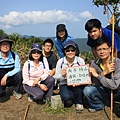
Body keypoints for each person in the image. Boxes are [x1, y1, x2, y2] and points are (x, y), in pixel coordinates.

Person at [83, 37, 120, 115]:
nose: (102, 52)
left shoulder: (117, 63)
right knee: (87, 90)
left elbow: (114, 85)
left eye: (104, 49)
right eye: (99, 50)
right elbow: (95, 84)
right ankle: (98, 105)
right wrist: (103, 73)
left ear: (110, 49)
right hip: (104, 90)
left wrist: (97, 75)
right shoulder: (95, 63)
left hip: (117, 92)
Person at [54, 41, 85, 112]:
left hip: (78, 83)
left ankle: (79, 102)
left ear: (76, 51)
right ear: (64, 51)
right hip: (64, 83)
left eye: (72, 50)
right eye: (67, 50)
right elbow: (56, 77)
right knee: (66, 98)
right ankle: (72, 96)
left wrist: (79, 81)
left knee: (78, 89)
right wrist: (63, 75)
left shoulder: (80, 61)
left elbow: (84, 75)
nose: (70, 52)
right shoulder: (60, 62)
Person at [0, 35, 22, 100]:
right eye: (3, 44)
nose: (5, 46)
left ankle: (16, 91)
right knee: (1, 94)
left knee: (19, 74)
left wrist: (6, 75)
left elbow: (18, 68)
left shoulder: (14, 55)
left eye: (7, 44)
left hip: (11, 78)